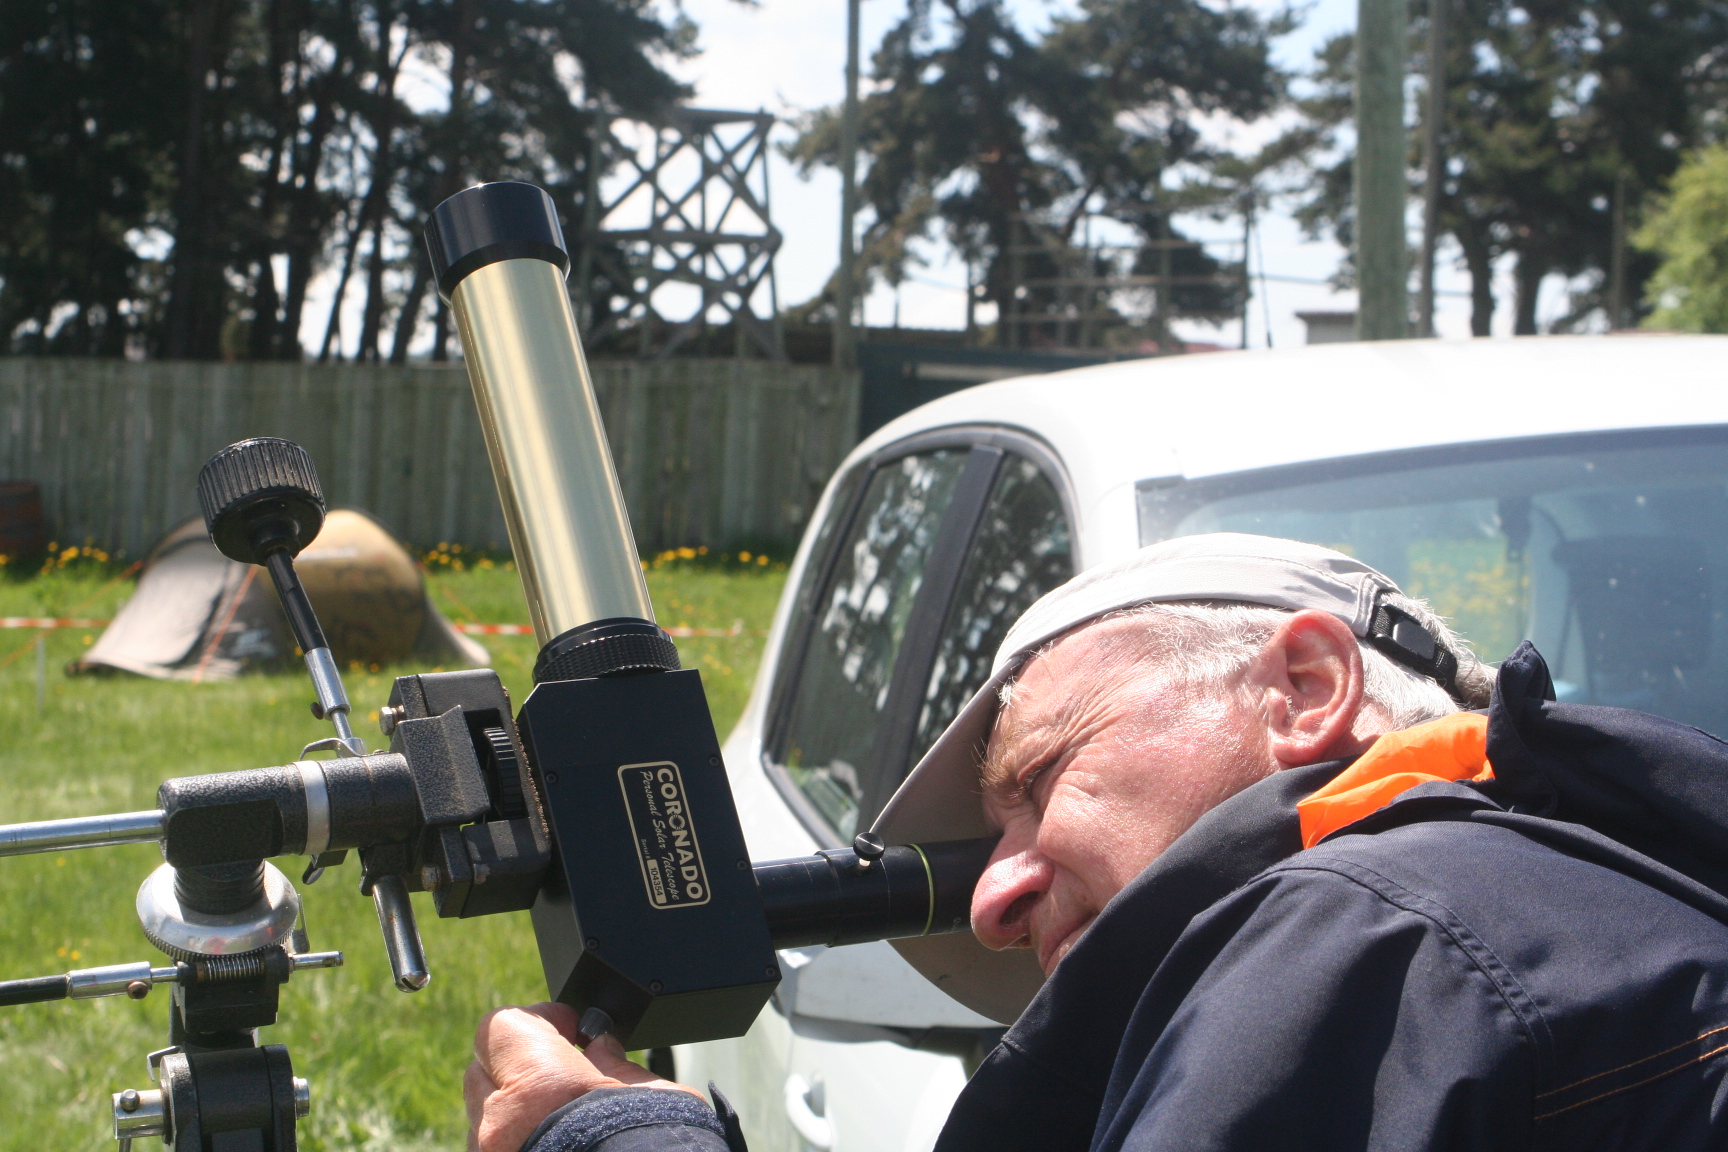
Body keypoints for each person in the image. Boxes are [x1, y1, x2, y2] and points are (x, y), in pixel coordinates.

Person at [466, 533, 1728, 1152]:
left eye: (1042, 776)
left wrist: (618, 1142)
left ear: (1303, 691)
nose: (989, 904)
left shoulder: (1370, 927)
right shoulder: (1568, 899)